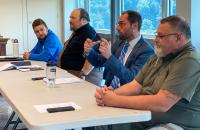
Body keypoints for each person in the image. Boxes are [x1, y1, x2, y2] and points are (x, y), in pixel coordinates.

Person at [95, 16, 200, 130]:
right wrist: (111, 94)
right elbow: (135, 86)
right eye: (156, 35)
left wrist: (115, 100)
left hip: (174, 124)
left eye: (161, 36)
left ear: (178, 37)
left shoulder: (189, 61)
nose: (155, 40)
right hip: (146, 117)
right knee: (100, 120)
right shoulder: (158, 56)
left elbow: (162, 103)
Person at [84, 10, 154, 89]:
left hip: (126, 95)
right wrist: (89, 51)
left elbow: (131, 78)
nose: (117, 27)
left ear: (134, 26)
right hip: (108, 89)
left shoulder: (147, 51)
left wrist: (110, 56)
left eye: (121, 24)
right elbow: (99, 61)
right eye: (118, 24)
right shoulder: (120, 43)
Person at [57, 8, 101, 77]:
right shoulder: (78, 32)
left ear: (83, 20)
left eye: (73, 18)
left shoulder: (89, 33)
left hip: (77, 74)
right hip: (68, 72)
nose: (70, 20)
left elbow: (94, 57)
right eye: (70, 18)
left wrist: (82, 74)